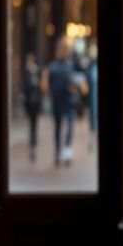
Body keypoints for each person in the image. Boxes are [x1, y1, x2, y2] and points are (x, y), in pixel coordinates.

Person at [44, 37, 77, 166]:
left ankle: (59, 153)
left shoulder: (52, 66)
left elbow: (46, 87)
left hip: (58, 101)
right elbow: (70, 85)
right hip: (66, 100)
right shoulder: (67, 66)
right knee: (68, 125)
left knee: (59, 128)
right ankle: (65, 152)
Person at [21, 53, 42, 162]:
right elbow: (25, 88)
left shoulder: (36, 72)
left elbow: (40, 87)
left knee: (34, 123)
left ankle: (33, 142)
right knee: (31, 124)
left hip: (35, 102)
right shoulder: (26, 73)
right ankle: (32, 142)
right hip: (30, 102)